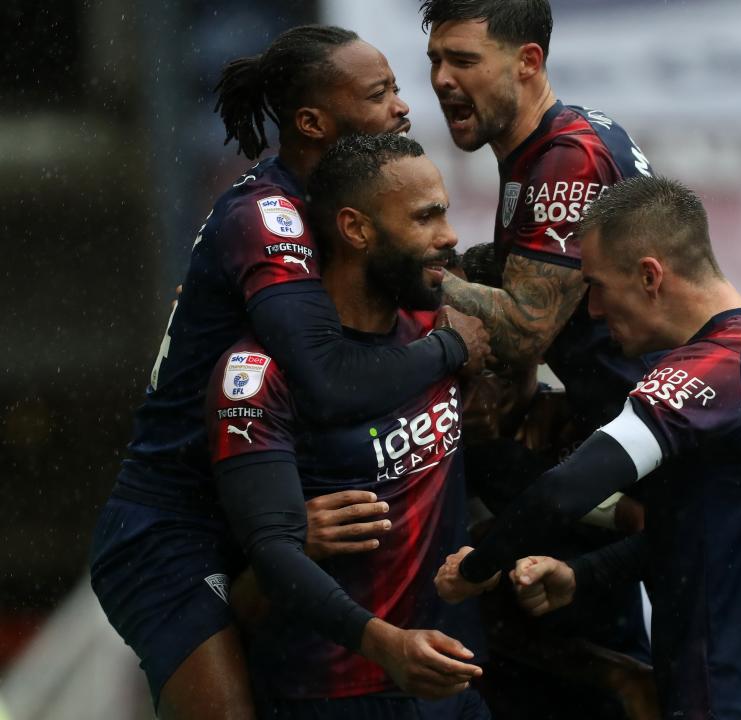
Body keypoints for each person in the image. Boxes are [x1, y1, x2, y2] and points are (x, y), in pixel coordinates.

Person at [89, 26, 489, 719]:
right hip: (174, 527)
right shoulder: (267, 215)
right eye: (379, 93)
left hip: (263, 495)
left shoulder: (345, 207)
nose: (402, 106)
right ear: (312, 121)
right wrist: (453, 348)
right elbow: (329, 381)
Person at [434, 176, 741, 720]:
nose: (594, 311)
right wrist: (583, 576)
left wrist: (475, 569)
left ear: (650, 276)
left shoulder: (712, 371)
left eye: (597, 286)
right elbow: (709, 531)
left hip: (729, 692)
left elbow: (566, 489)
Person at [420, 2, 655, 715]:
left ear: (527, 63)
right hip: (617, 433)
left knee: (594, 672)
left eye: (463, 60)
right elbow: (530, 290)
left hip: (638, 441)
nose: (441, 80)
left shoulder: (567, 157)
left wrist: (413, 277)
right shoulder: (549, 145)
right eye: (434, 60)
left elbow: (524, 328)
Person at [209, 133, 490, 718]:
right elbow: (273, 555)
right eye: (425, 216)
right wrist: (386, 645)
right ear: (356, 229)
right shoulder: (255, 374)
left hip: (454, 687)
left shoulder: (438, 328)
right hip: (331, 696)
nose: (449, 235)